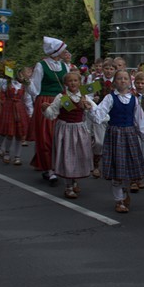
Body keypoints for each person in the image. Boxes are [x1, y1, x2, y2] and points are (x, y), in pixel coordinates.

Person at [89, 70, 144, 214]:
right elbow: (99, 116)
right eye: (119, 78)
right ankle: (119, 199)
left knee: (128, 168)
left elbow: (140, 120)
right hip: (115, 135)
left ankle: (124, 192)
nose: (122, 81)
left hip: (130, 135)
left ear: (129, 82)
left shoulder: (134, 99)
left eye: (125, 78)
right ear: (114, 82)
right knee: (118, 168)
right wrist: (90, 109)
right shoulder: (110, 98)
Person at [42, 71, 95, 199]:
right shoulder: (62, 97)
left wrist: (90, 108)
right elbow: (52, 114)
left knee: (79, 155)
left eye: (75, 81)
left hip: (79, 129)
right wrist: (45, 109)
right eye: (70, 81)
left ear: (79, 82)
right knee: (68, 156)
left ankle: (75, 180)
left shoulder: (84, 97)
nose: (73, 83)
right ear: (66, 83)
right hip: (66, 129)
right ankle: (68, 186)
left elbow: (94, 110)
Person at [29, 37, 70, 185]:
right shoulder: (41, 66)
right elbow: (34, 89)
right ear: (56, 51)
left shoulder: (65, 66)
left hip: (61, 100)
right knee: (46, 137)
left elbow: (68, 88)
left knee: (61, 136)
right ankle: (49, 168)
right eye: (62, 49)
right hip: (45, 101)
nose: (65, 52)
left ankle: (58, 165)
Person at [0, 67, 33, 166]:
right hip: (9, 108)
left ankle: (17, 156)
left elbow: (28, 99)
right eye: (24, 73)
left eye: (28, 73)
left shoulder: (25, 86)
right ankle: (6, 152)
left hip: (19, 109)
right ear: (18, 73)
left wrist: (30, 113)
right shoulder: (7, 83)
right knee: (9, 132)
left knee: (19, 134)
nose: (26, 75)